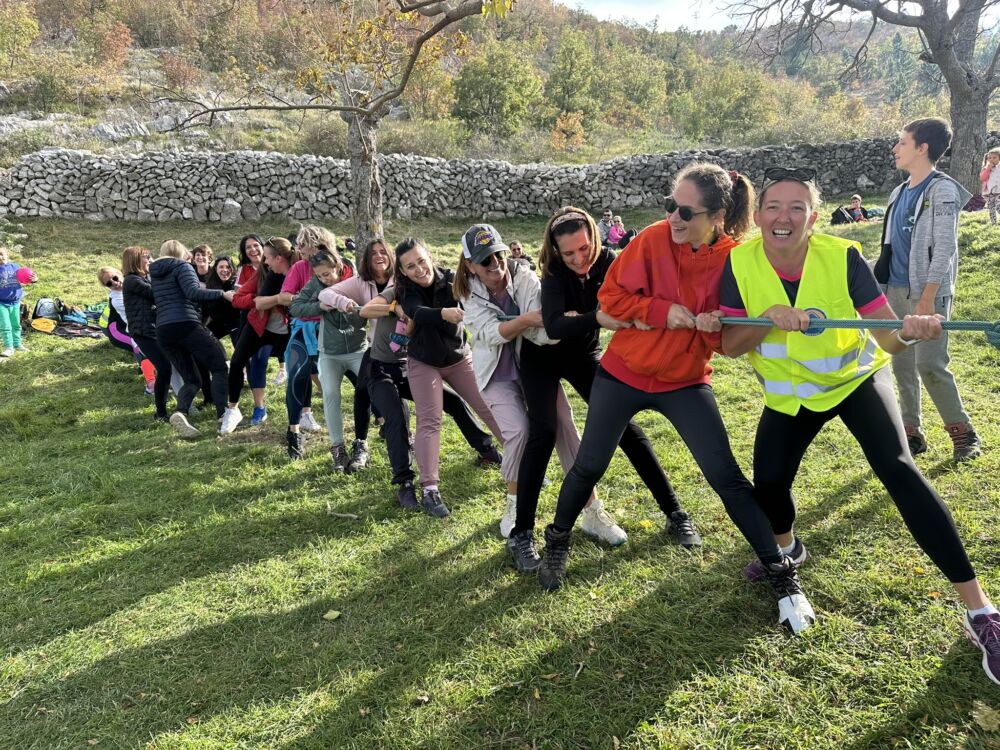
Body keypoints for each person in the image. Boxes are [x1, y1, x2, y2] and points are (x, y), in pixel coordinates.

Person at [719, 166, 1000, 680]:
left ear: (814, 217)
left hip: (855, 381)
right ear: (758, 216)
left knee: (900, 470)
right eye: (774, 207)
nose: (784, 217)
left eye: (797, 208)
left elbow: (886, 338)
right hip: (792, 396)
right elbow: (729, 345)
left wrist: (911, 331)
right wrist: (768, 318)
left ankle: (980, 611)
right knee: (770, 485)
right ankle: (789, 548)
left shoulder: (843, 255)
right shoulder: (739, 262)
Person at [519, 206, 696, 566]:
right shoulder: (554, 273)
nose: (578, 259)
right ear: (556, 251)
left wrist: (598, 318)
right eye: (568, 253)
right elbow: (554, 326)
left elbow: (637, 297)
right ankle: (522, 533)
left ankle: (676, 513)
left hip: (584, 355)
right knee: (543, 433)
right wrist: (597, 317)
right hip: (541, 359)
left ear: (595, 239)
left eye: (584, 248)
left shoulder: (611, 262)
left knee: (627, 429)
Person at [454, 223, 625, 568]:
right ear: (470, 265)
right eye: (485, 260)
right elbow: (490, 334)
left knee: (565, 424)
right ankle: (514, 503)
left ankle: (592, 510)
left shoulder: (524, 275)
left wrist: (555, 324)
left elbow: (546, 332)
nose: (495, 264)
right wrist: (531, 320)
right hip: (496, 374)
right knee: (519, 431)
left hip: (534, 364)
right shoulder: (468, 293)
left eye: (498, 255)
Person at [359, 249, 505, 510]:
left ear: (430, 258)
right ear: (402, 271)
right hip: (418, 363)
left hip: (458, 359)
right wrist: (442, 314)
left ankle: (519, 463)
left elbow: (479, 288)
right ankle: (429, 489)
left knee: (488, 406)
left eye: (421, 261)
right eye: (410, 266)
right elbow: (417, 312)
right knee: (428, 420)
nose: (419, 269)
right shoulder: (402, 291)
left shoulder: (452, 280)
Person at [874, 117, 981, 461]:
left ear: (922, 148)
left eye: (902, 142)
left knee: (930, 364)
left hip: (928, 292)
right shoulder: (897, 192)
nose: (895, 148)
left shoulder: (942, 190)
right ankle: (911, 433)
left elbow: (945, 246)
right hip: (895, 289)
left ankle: (964, 433)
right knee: (902, 364)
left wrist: (928, 297)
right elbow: (890, 246)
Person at [318, 237, 398, 472]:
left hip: (405, 349)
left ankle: (406, 439)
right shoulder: (361, 282)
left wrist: (388, 309)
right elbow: (325, 295)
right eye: (373, 253)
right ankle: (357, 445)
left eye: (383, 251)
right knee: (361, 390)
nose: (379, 256)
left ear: (390, 255)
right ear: (367, 260)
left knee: (398, 396)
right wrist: (346, 303)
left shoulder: (401, 279)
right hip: (377, 349)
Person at [290, 248, 370, 469]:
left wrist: (352, 311)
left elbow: (366, 313)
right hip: (329, 352)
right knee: (331, 394)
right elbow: (295, 307)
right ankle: (338, 448)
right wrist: (320, 306)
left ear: (338, 266)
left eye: (327, 274)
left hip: (358, 348)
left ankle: (362, 444)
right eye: (319, 275)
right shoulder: (316, 284)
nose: (324, 279)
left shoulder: (354, 281)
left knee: (369, 390)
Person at [150, 240, 235, 438]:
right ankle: (223, 416)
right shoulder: (183, 266)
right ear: (180, 252)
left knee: (192, 379)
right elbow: (193, 292)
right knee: (219, 367)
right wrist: (222, 294)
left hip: (163, 330)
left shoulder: (154, 273)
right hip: (186, 323)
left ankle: (181, 411)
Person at [220, 239, 298, 448]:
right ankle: (235, 409)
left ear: (278, 258)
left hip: (287, 329)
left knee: (306, 366)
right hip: (258, 326)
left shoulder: (297, 271)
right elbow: (238, 299)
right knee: (239, 362)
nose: (264, 261)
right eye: (250, 248)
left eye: (267, 257)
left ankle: (307, 411)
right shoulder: (265, 273)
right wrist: (262, 299)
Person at [270, 225, 336, 453]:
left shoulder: (340, 265)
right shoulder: (299, 267)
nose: (299, 249)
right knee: (297, 374)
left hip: (333, 328)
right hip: (304, 327)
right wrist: (306, 300)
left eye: (303, 244)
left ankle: (380, 420)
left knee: (358, 375)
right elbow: (285, 297)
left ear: (317, 244)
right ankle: (294, 432)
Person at [122, 246, 174, 421]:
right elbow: (156, 294)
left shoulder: (139, 279)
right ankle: (160, 413)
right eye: (146, 257)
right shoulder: (132, 280)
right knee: (164, 367)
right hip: (144, 332)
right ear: (135, 260)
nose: (150, 260)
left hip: (151, 329)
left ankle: (164, 410)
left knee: (166, 367)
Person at [236, 234, 279, 424]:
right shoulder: (245, 270)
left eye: (256, 245)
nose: (253, 250)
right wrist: (257, 299)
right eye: (248, 248)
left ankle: (312, 402)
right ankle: (259, 407)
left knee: (305, 361)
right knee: (258, 360)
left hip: (281, 321)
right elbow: (239, 296)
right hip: (256, 320)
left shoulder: (278, 266)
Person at [97, 265, 157, 394]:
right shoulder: (117, 299)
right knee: (143, 349)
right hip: (116, 331)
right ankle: (151, 385)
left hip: (129, 325)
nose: (114, 283)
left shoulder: (132, 280)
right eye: (109, 283)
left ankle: (153, 371)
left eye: (114, 278)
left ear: (120, 273)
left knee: (149, 350)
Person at [0, 243, 35, 357]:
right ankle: (9, 347)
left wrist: (34, 279)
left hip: (15, 302)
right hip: (2, 303)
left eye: (1, 254)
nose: (0, 257)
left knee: (16, 325)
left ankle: (17, 344)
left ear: (7, 254)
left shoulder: (15, 267)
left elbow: (26, 278)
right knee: (5, 326)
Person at [204, 256, 240, 343]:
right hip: (218, 322)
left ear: (232, 269)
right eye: (221, 267)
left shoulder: (237, 284)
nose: (225, 270)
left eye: (228, 267)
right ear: (216, 269)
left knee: (239, 344)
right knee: (203, 340)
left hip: (235, 321)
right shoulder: (210, 285)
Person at [980, 148, 1000, 225]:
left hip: (999, 191)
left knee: (998, 206)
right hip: (990, 193)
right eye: (990, 158)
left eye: (994, 158)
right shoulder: (986, 168)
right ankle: (994, 224)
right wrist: (988, 169)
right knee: (991, 208)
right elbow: (982, 178)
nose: (992, 160)